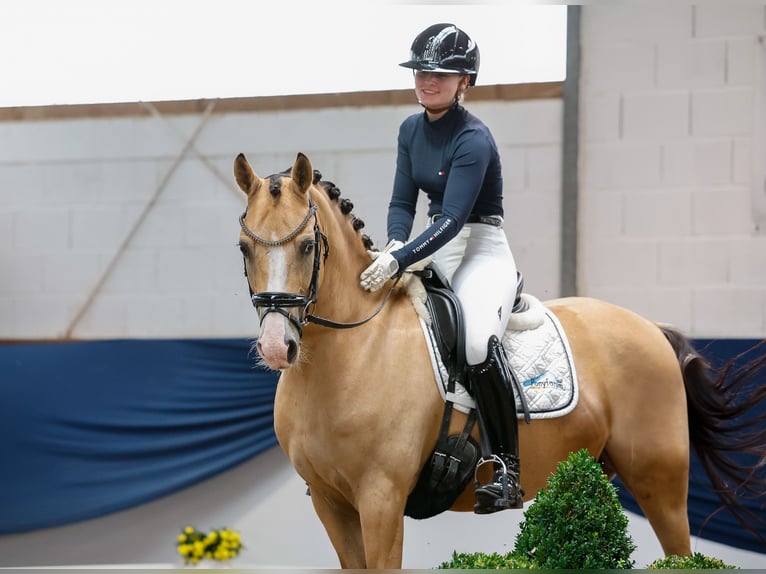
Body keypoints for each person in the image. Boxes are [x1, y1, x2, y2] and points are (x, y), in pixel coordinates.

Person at [359, 23, 524, 514]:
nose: (428, 80)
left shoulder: (474, 138)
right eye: (422, 71)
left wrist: (399, 259)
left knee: (476, 343)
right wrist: (392, 243)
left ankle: (508, 469)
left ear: (463, 81)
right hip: (432, 244)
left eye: (441, 73)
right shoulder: (410, 130)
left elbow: (453, 219)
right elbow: (400, 201)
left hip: (480, 247)